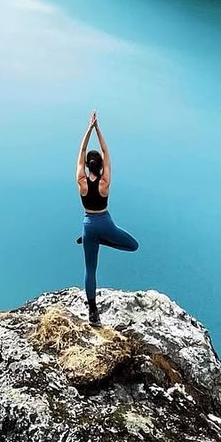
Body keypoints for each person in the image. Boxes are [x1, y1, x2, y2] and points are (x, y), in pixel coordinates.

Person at [75, 109, 138, 326]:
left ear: (86, 166)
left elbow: (82, 150)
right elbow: (105, 151)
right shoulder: (105, 182)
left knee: (90, 269)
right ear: (101, 167)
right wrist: (98, 129)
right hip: (105, 223)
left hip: (88, 226)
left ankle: (92, 311)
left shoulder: (81, 180)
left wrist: (89, 128)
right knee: (133, 246)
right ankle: (103, 239)